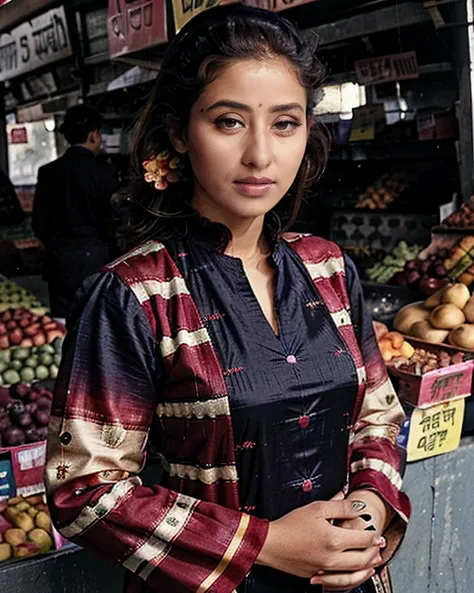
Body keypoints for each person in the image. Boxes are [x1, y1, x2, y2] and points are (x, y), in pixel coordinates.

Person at [45, 6, 410, 593]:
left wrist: (367, 511)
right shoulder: (134, 294)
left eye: (285, 123)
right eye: (229, 122)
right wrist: (264, 544)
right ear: (177, 134)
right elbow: (84, 489)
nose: (261, 156)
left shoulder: (328, 267)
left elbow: (378, 417)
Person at [32, 104, 119, 320]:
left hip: (60, 264)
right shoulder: (105, 173)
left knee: (62, 326)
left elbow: (39, 222)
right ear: (93, 135)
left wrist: (57, 245)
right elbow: (115, 219)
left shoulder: (48, 172)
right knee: (97, 323)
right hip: (97, 261)